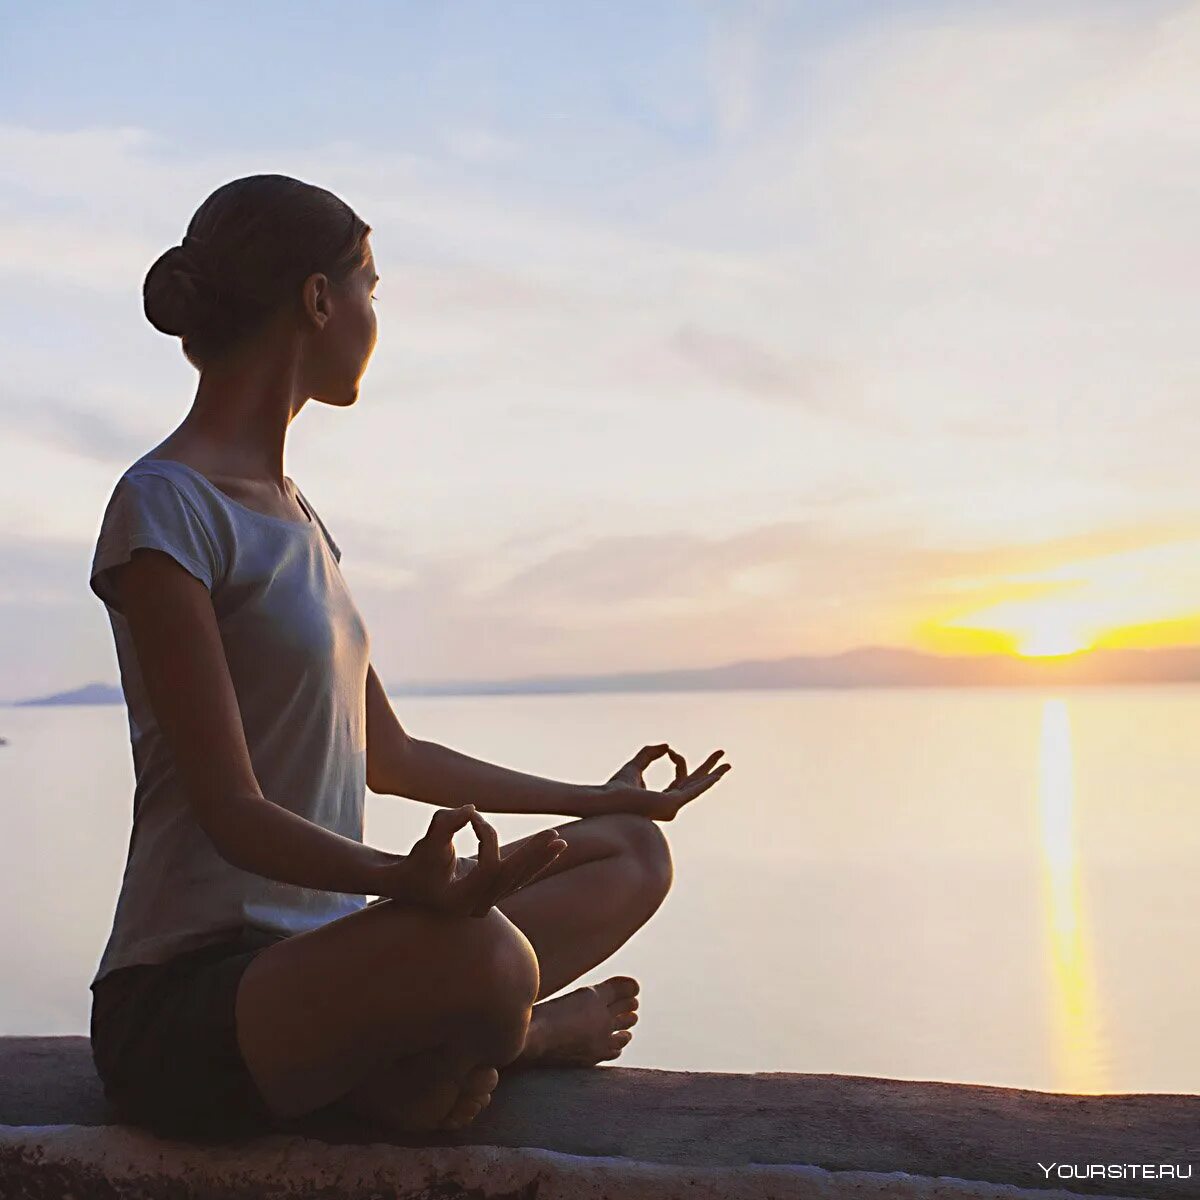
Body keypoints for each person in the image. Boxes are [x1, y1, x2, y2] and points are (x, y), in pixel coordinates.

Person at [85, 174, 733, 1141]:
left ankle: (413, 1056)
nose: (374, 315)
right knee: (493, 964)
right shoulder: (167, 509)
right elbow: (231, 812)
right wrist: (404, 883)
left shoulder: (301, 520)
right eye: (370, 288)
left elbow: (390, 755)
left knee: (632, 855)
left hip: (341, 953)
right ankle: (515, 1037)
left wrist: (600, 800)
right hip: (196, 999)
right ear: (317, 300)